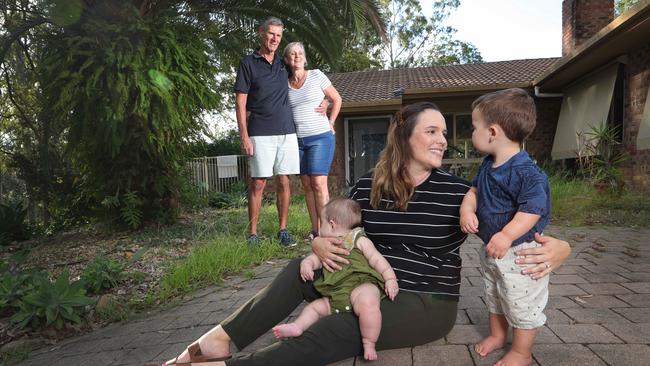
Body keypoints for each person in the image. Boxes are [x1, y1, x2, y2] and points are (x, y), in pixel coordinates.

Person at [162, 102, 571, 366]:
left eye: (444, 132)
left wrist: (562, 247)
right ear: (404, 136)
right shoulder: (365, 187)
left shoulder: (459, 193)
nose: (442, 139)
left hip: (423, 300)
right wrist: (318, 242)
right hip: (362, 281)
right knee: (299, 271)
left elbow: (514, 226)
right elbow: (331, 225)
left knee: (342, 322)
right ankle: (220, 339)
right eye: (431, 131)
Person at [459, 88, 551, 366]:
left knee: (521, 301)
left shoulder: (525, 171)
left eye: (474, 127)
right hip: (493, 249)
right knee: (495, 295)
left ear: (493, 132)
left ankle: (522, 352)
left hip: (521, 252)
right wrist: (467, 208)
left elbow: (534, 208)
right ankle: (498, 336)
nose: (471, 133)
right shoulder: (488, 165)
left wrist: (507, 234)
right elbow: (474, 191)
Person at [272, 198, 398, 361]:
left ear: (332, 224)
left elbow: (377, 259)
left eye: (321, 223)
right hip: (336, 295)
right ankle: (297, 326)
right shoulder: (327, 245)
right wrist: (307, 264)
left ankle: (369, 342)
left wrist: (390, 279)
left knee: (369, 304)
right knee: (315, 308)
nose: (320, 229)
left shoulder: (359, 240)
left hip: (360, 284)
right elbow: (315, 259)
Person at [234, 17, 298, 247]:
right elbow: (240, 103)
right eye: (271, 34)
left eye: (279, 35)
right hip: (259, 132)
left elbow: (304, 80)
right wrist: (244, 136)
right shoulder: (248, 63)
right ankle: (252, 234)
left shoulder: (285, 64)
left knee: (284, 180)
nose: (274, 39)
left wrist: (324, 102)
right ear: (261, 33)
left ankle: (283, 230)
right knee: (258, 183)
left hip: (286, 131)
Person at [283, 42, 342, 241]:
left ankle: (327, 229)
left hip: (320, 137)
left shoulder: (316, 75)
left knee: (318, 183)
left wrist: (331, 120)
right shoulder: (285, 83)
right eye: (292, 54)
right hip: (297, 142)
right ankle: (316, 229)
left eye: (300, 53)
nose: (297, 56)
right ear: (287, 59)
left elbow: (336, 98)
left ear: (305, 58)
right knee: (307, 185)